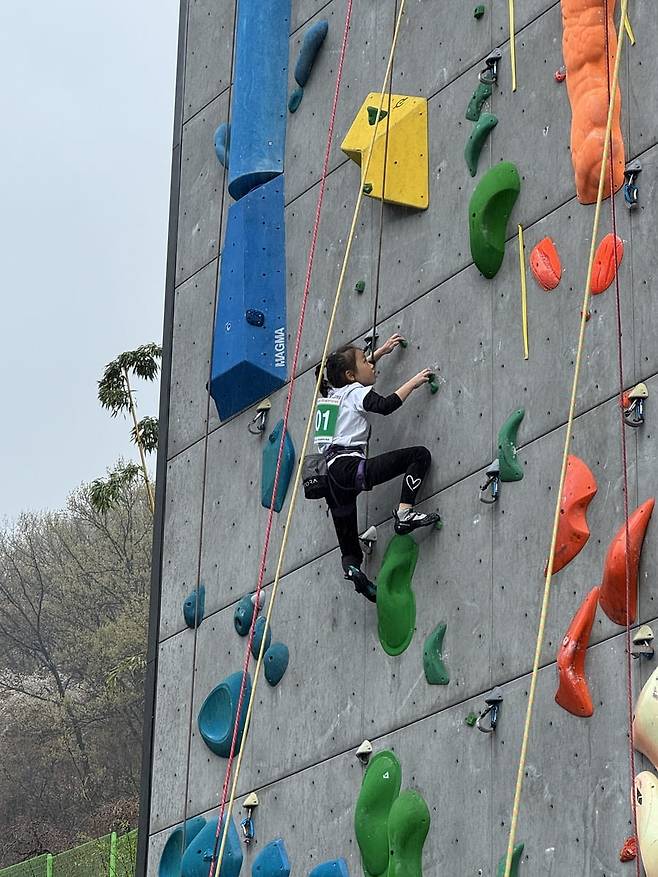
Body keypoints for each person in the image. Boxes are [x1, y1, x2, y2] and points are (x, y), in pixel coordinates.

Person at [315, 335, 440, 603]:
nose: (371, 364)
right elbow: (385, 406)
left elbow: (350, 377)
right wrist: (414, 382)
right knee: (419, 456)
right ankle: (404, 513)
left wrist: (380, 353)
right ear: (350, 375)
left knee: (349, 546)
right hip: (350, 468)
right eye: (365, 360)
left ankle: (353, 570)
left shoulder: (328, 396)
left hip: (330, 479)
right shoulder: (355, 392)